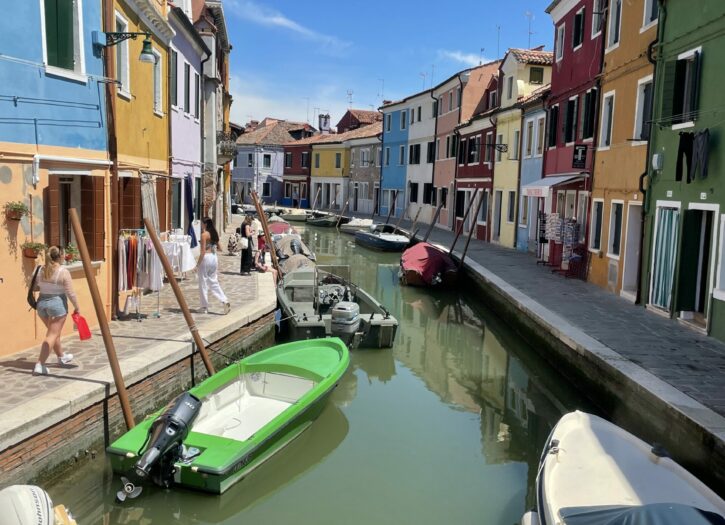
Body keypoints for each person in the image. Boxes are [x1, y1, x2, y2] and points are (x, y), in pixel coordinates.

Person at [33, 246, 79, 375]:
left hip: (41, 304)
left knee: (53, 332)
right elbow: (71, 293)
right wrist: (77, 307)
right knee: (52, 334)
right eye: (64, 254)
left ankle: (61, 356)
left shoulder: (39, 269)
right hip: (57, 304)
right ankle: (40, 364)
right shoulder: (63, 271)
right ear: (60, 256)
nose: (65, 256)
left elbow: (36, 285)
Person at [197, 217, 231, 315]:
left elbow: (202, 252)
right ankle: (224, 300)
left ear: (205, 224)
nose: (201, 226)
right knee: (213, 281)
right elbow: (220, 248)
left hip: (206, 258)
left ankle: (204, 307)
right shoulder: (214, 234)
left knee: (203, 282)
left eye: (202, 224)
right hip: (214, 257)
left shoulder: (204, 235)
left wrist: (197, 264)